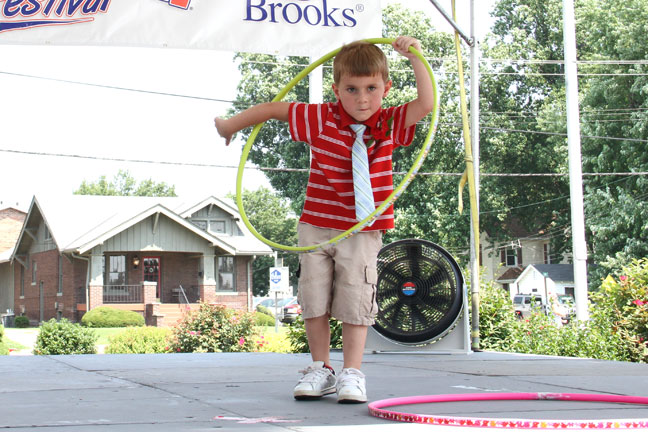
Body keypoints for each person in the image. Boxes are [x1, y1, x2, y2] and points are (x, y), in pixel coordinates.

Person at [214, 36, 435, 403]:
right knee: (314, 298)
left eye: (371, 89)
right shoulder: (322, 117)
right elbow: (273, 108)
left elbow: (426, 103)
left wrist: (415, 55)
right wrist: (230, 125)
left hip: (363, 231)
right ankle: (321, 368)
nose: (362, 99)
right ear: (336, 90)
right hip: (316, 225)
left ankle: (352, 372)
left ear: (385, 88)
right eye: (351, 89)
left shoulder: (390, 122)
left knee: (355, 298)